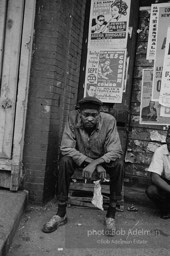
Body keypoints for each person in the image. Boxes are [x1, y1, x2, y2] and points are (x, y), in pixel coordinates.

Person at [42, 96, 124, 235]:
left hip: (102, 159)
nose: (90, 118)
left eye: (94, 115)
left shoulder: (109, 121)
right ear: (80, 113)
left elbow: (116, 150)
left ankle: (111, 214)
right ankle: (61, 213)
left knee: (119, 164)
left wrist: (97, 163)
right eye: (86, 115)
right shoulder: (72, 118)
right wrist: (91, 163)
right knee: (65, 161)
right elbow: (66, 147)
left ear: (99, 114)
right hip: (81, 158)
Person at [146, 128, 170, 219]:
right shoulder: (160, 151)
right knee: (152, 190)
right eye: (169, 136)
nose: (169, 140)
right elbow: (155, 178)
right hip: (167, 185)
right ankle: (166, 210)